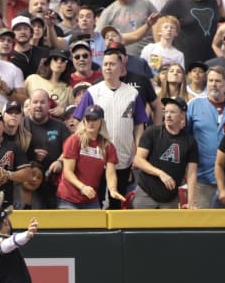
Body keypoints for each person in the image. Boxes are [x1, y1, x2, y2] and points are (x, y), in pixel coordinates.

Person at [73, 51, 149, 208]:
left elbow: (139, 124)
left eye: (112, 64)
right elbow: (79, 121)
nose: (108, 67)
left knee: (118, 199)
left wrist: (138, 151)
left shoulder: (132, 93)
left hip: (123, 155)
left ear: (121, 67)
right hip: (96, 155)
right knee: (96, 199)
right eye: (105, 64)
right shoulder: (93, 92)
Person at [187, 67, 225, 208]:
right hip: (201, 176)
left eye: (218, 81)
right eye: (211, 80)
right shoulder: (194, 104)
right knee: (201, 222)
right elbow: (186, 139)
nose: (214, 84)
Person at [131, 96, 198, 209]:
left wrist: (190, 201)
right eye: (166, 111)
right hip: (146, 193)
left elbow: (191, 173)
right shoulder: (152, 132)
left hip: (170, 197)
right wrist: (161, 174)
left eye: (172, 112)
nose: (168, 115)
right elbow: (137, 160)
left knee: (169, 227)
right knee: (140, 226)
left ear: (182, 115)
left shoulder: (190, 141)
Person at [57, 104, 125, 209]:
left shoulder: (107, 146)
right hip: (68, 198)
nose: (91, 123)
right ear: (84, 121)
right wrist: (82, 187)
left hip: (90, 198)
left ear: (101, 121)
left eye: (94, 119)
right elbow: (67, 172)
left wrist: (113, 189)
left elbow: (110, 173)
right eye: (88, 119)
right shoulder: (74, 140)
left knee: (96, 225)